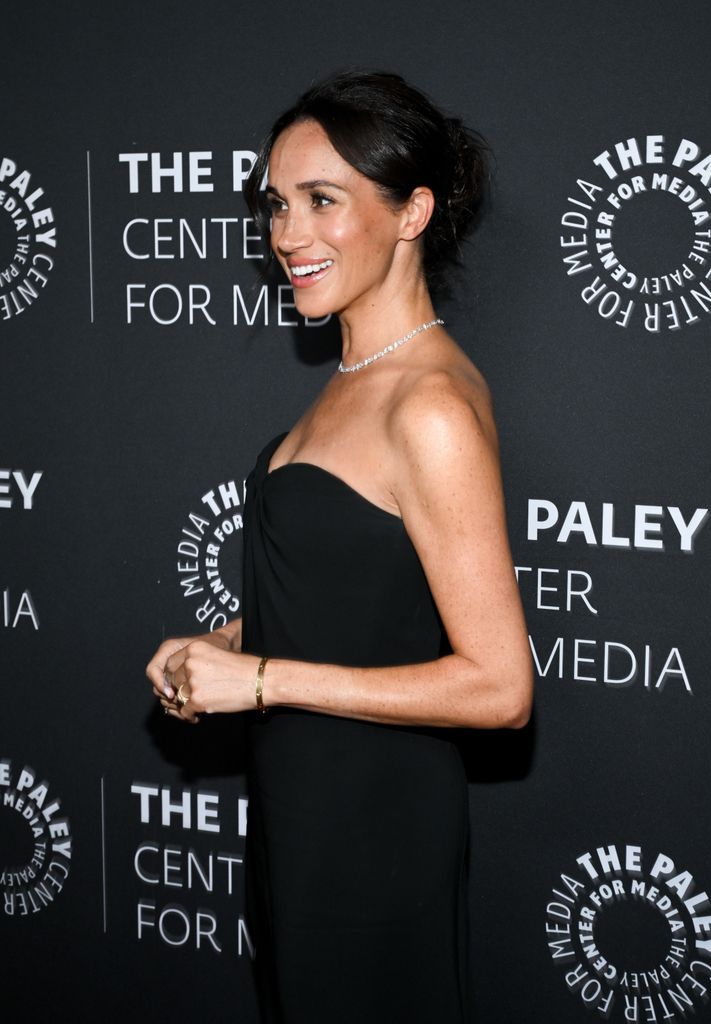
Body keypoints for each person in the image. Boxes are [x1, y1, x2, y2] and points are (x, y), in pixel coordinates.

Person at [147, 70, 533, 1024]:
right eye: (277, 204)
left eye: (324, 200)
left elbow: (499, 687)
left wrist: (267, 681)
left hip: (375, 830)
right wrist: (235, 642)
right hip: (304, 815)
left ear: (412, 213)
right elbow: (368, 592)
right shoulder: (355, 373)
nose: (287, 234)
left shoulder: (430, 403)